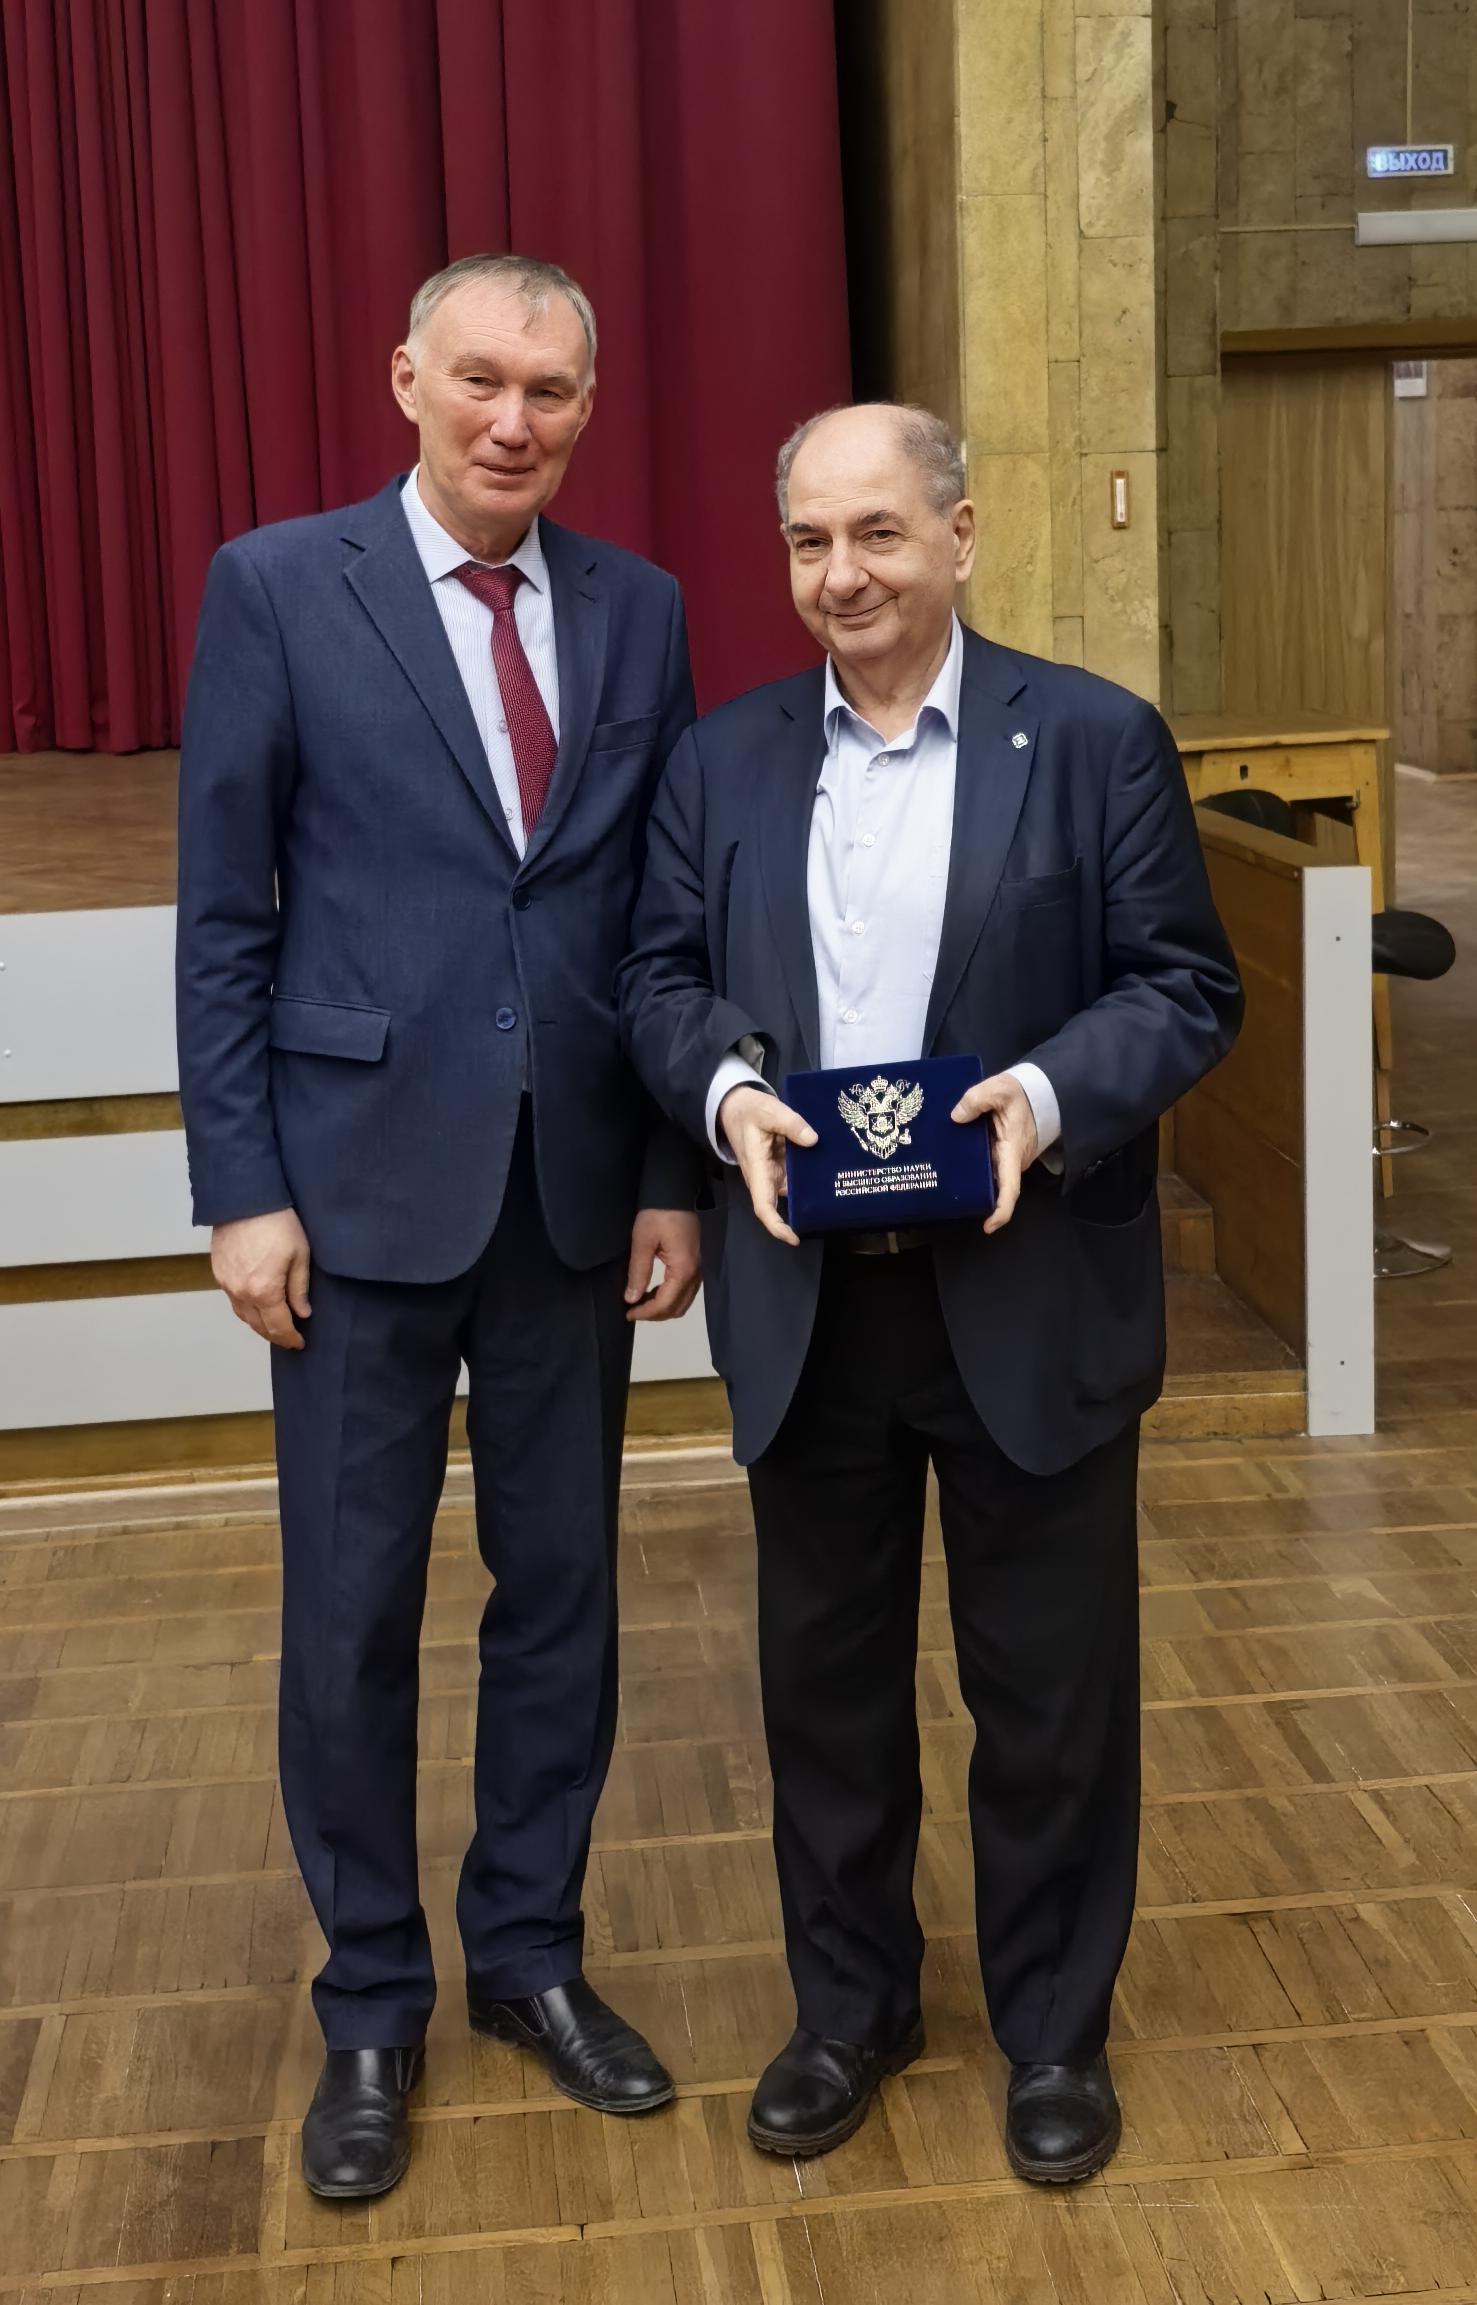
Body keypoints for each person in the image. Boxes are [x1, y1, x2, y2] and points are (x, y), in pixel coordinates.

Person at [618, 401, 1243, 2183]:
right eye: (810, 541)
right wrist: (723, 1092)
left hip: (1026, 1288)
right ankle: (851, 2009)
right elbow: (656, 979)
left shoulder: (1095, 740)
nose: (843, 574)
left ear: (960, 537)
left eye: (878, 533)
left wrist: (1040, 1097)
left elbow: (1181, 987)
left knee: (1048, 1694)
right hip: (807, 1297)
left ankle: (1052, 2031)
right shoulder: (721, 761)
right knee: (821, 1693)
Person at [176, 253, 701, 2201]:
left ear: (586, 406)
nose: (511, 419)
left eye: (548, 390)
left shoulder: (641, 609)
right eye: (479, 377)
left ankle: (530, 1956)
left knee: (563, 1599)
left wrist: (668, 1171)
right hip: (352, 1195)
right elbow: (224, 912)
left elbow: (660, 918)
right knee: (352, 1617)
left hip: (572, 1196)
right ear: (405, 377)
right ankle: (372, 2001)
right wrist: (240, 1185)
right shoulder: (274, 586)